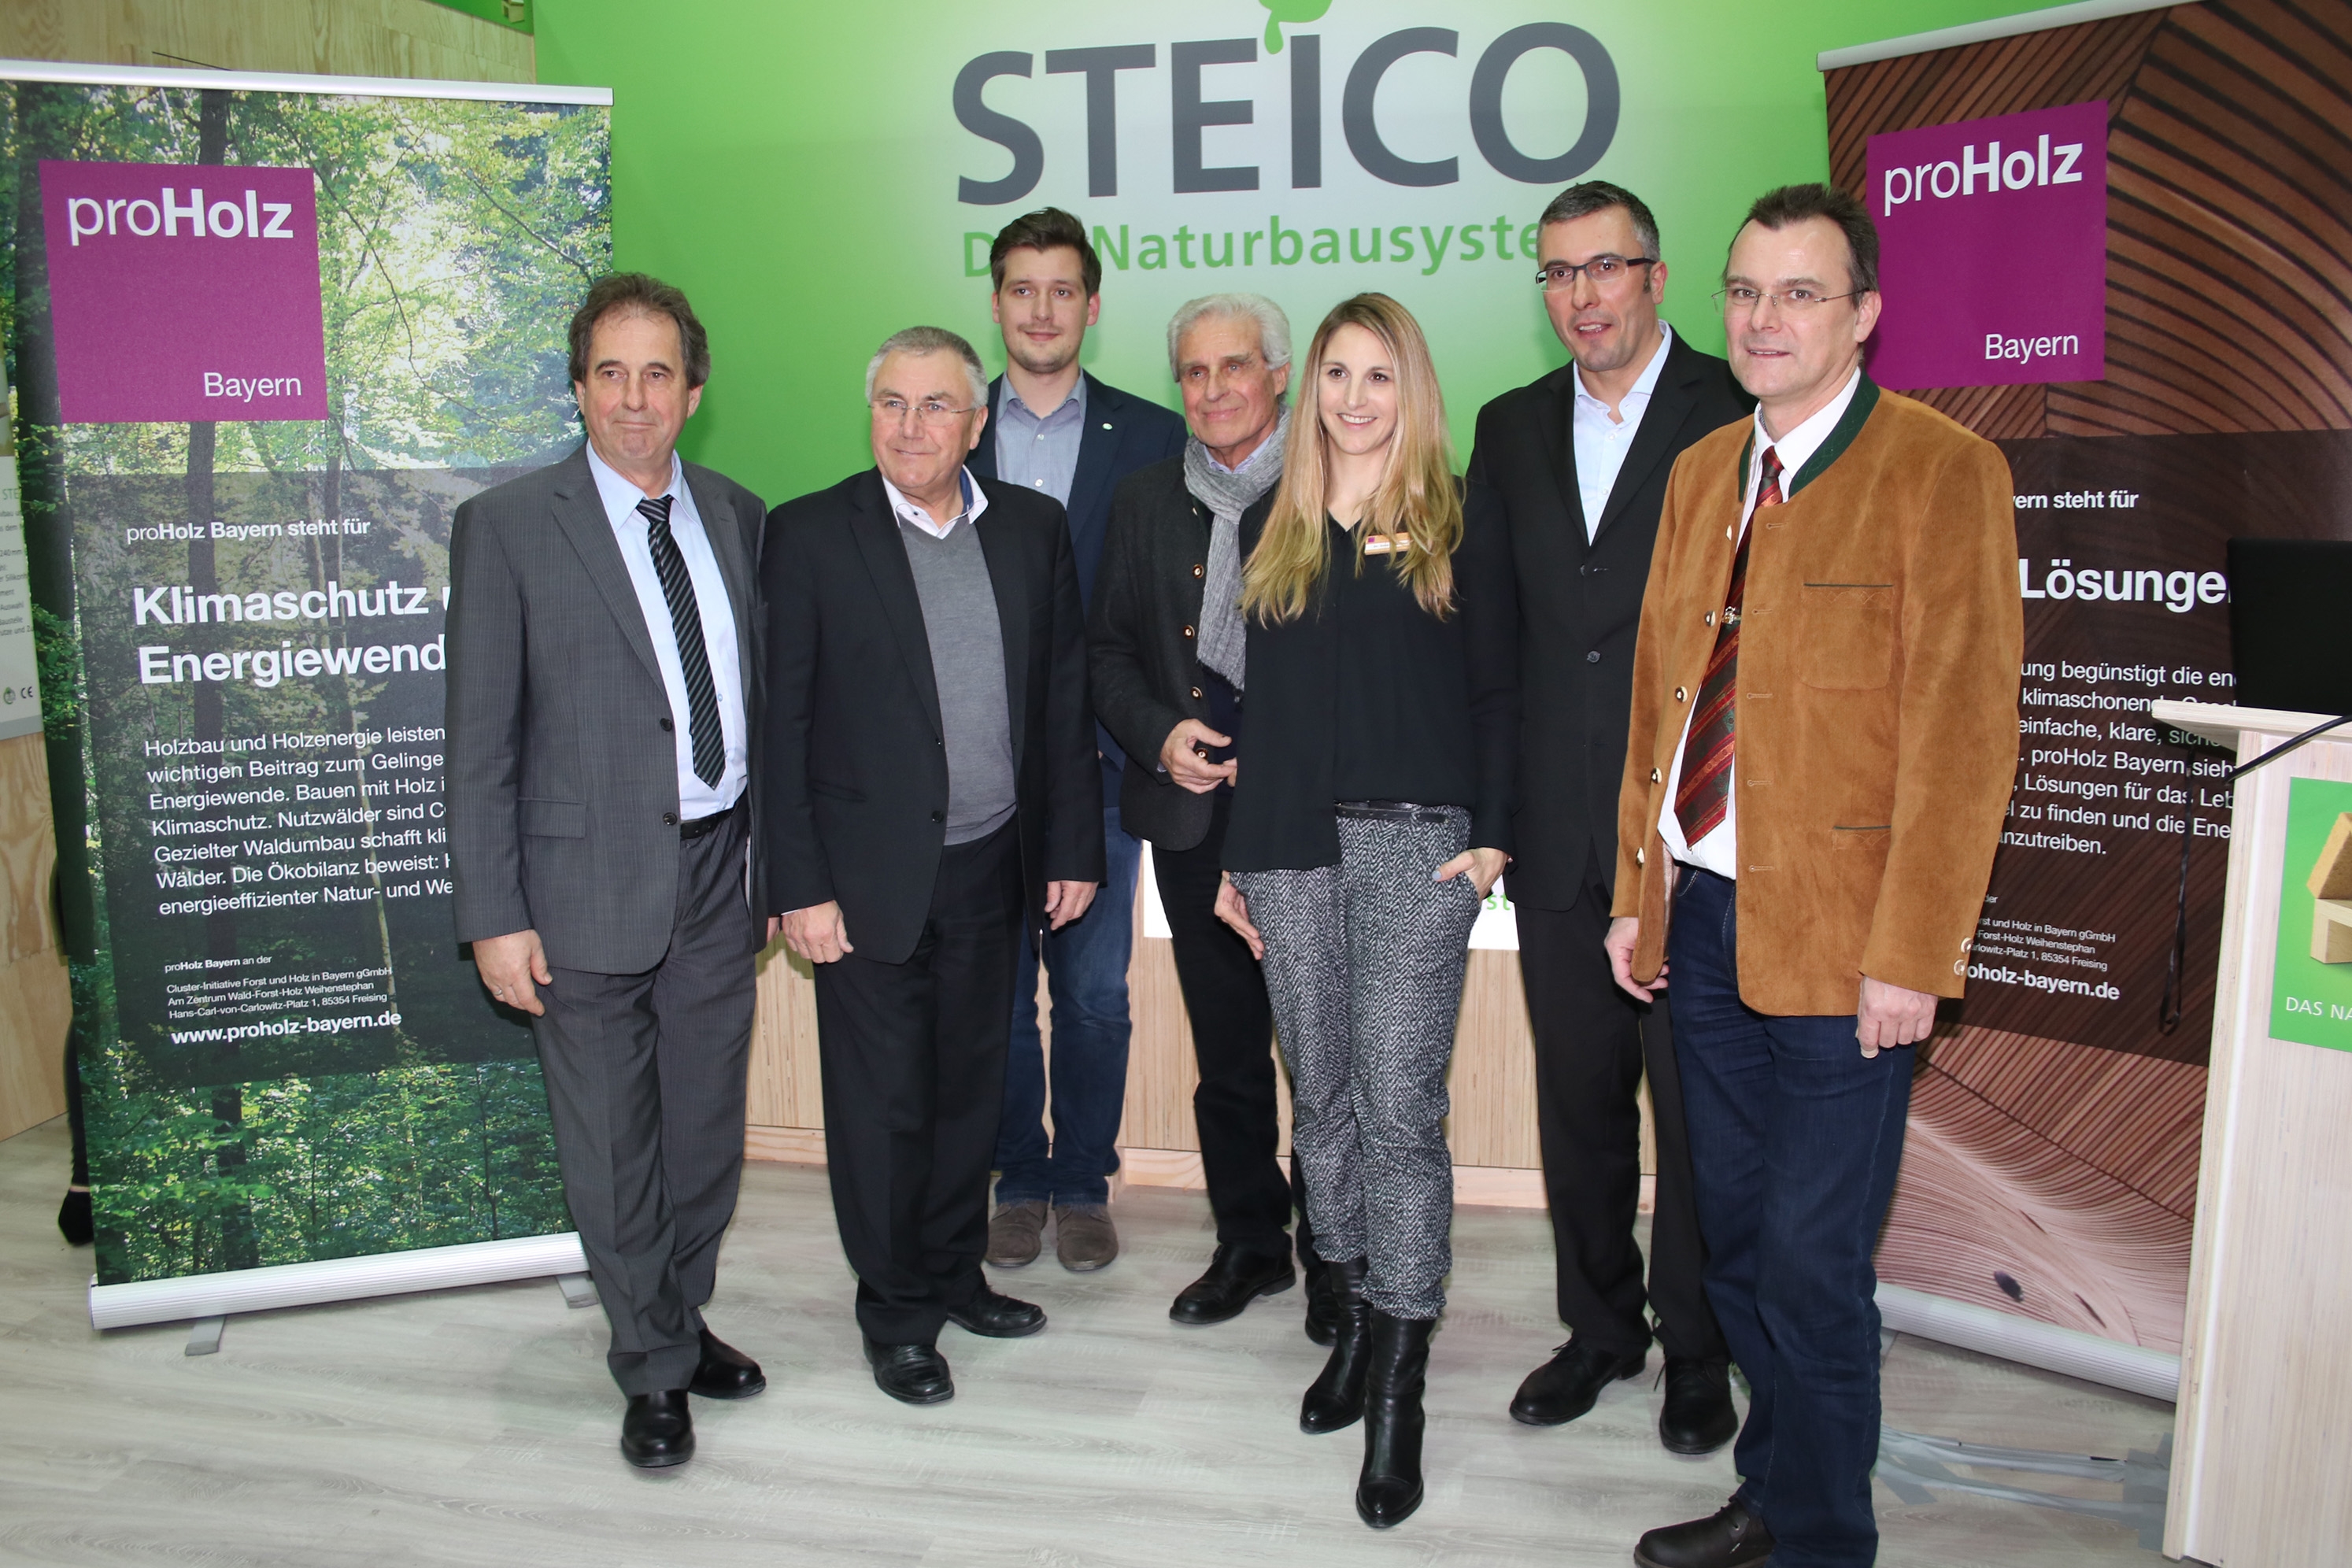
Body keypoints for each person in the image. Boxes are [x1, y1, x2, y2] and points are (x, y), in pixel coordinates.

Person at [1612, 186, 2021, 1568]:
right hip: (1703, 923)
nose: (1764, 318)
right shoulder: (1700, 470)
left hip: (1850, 947)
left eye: (1799, 293)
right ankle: (1773, 1499)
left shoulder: (1941, 469)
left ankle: (1828, 1539)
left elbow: (1965, 738)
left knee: (1811, 1263)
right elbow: (1660, 703)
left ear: (1864, 315)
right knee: (1732, 1247)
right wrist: (1637, 893)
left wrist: (1914, 952)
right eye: (1745, 291)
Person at [447, 272, 769, 1470]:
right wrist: (493, 915)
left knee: (703, 1135)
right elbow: (479, 740)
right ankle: (651, 1364)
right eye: (611, 373)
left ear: (695, 390)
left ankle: (678, 1316)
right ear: (579, 388)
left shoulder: (739, 516)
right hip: (578, 890)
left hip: (720, 872)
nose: (635, 399)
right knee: (613, 1144)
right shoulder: (509, 526)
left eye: (658, 373)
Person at [1216, 294, 1516, 1529]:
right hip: (1288, 848)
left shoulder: (1458, 517)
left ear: (1413, 389)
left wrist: (1493, 834)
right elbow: (1259, 712)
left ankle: (1399, 1385)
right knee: (1323, 1097)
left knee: (1398, 1107)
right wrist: (1238, 860)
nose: (1354, 397)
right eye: (1336, 373)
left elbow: (1500, 688)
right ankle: (1344, 1312)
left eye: (1378, 374)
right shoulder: (1267, 526)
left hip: (1417, 846)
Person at [763, 326, 1103, 1408]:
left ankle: (955, 1276)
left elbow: (1060, 704)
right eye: (893, 404)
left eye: (936, 406)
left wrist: (1070, 849)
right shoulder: (809, 534)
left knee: (969, 1093)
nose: (911, 427)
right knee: (885, 1109)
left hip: (993, 866)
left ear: (976, 421)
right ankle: (898, 1314)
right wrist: (798, 886)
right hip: (862, 884)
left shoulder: (1032, 530)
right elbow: (781, 727)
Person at [1465, 181, 1749, 1452]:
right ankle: (1599, 1330)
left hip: (1689, 841)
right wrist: (1494, 818)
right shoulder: (1510, 426)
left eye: (1605, 268)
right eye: (1559, 273)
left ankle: (1698, 1347)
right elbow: (1492, 647)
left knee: (1693, 1116)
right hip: (1555, 839)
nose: (1582, 296)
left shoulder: (1734, 413)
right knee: (1578, 1104)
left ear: (1655, 276)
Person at [1089, 293, 1329, 1337]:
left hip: (1311, 817)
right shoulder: (1144, 499)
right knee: (1227, 1050)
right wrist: (1158, 735)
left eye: (1236, 366)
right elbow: (1105, 652)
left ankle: (1337, 1253)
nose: (1216, 387)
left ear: (1279, 374)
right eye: (1195, 371)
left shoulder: (1333, 482)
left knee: (1325, 1050)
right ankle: (1249, 1245)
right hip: (1192, 819)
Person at [968, 208, 1184, 1274]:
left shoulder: (1152, 437)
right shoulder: (954, 427)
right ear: (997, 303)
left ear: (1092, 307)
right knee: (1002, 1001)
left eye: (1063, 290)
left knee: (1094, 997)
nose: (1042, 309)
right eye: (1023, 288)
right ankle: (1018, 1180)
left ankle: (1085, 1183)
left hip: (1103, 764)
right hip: (980, 773)